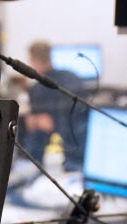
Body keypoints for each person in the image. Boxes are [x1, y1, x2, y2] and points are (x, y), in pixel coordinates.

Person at [22, 40, 87, 168]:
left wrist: (34, 120)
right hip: (78, 153)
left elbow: (42, 123)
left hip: (50, 156)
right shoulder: (72, 77)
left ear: (34, 62)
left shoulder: (37, 90)